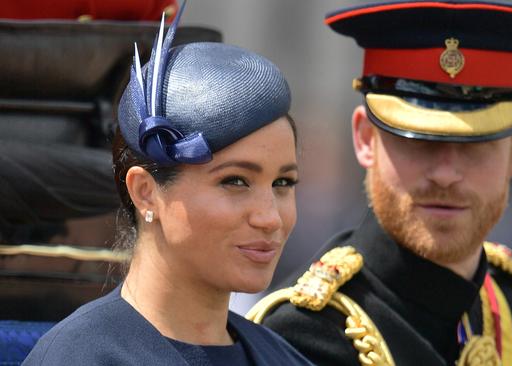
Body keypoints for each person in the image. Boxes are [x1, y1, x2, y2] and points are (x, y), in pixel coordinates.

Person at [248, 1, 512, 365]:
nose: (445, 174)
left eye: (474, 144)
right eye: (419, 141)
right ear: (365, 138)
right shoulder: (306, 335)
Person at [23, 4, 313, 366]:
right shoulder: (82, 357)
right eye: (235, 181)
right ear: (146, 192)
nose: (270, 218)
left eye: (283, 183)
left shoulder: (284, 359)